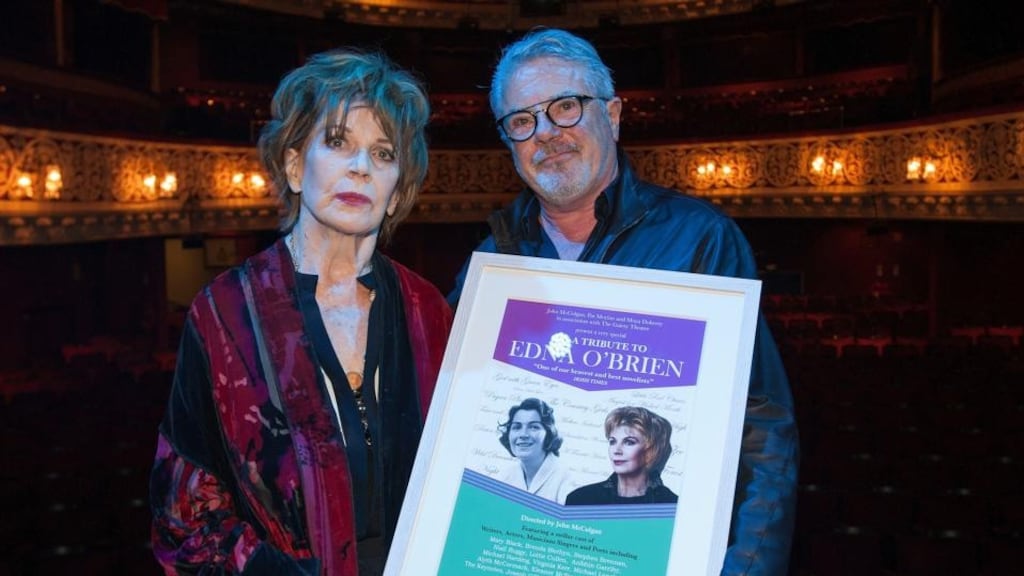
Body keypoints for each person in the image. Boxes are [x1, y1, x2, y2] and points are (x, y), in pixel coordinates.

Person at [448, 28, 798, 575]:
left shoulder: (699, 239)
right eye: (522, 120)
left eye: (566, 106)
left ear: (611, 116)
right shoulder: (490, 267)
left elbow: (763, 437)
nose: (546, 133)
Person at [150, 49, 453, 575]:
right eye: (338, 142)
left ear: (398, 190)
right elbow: (184, 510)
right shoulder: (224, 313)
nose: (360, 167)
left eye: (383, 153)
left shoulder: (428, 310)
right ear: (294, 167)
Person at [565, 406, 677, 505]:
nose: (617, 450)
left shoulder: (672, 504)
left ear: (651, 450)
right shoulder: (580, 499)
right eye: (612, 442)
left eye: (629, 442)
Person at [496, 397, 574, 503]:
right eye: (517, 427)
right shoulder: (504, 477)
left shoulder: (566, 478)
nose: (523, 434)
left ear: (548, 434)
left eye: (533, 427)